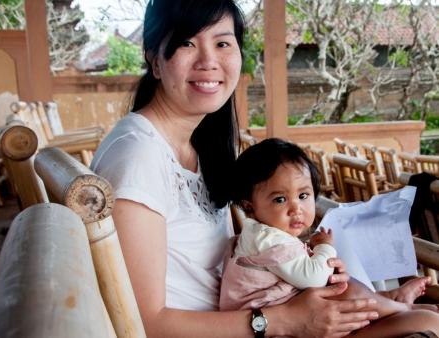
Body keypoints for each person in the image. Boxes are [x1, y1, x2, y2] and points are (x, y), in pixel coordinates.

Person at [90, 0, 433, 337]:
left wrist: (301, 256)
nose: (209, 61)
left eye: (223, 42)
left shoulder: (197, 147)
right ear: (155, 59)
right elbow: (144, 323)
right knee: (428, 322)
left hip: (256, 314)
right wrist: (283, 320)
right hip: (253, 325)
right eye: (186, 43)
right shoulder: (138, 157)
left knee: (428, 315)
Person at [219, 138, 439, 337]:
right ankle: (400, 306)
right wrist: (325, 248)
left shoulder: (260, 233)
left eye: (303, 195)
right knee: (347, 290)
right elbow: (312, 278)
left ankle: (390, 300)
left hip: (289, 317)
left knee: (344, 286)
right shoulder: (267, 238)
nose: (296, 208)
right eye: (279, 199)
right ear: (249, 205)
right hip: (279, 327)